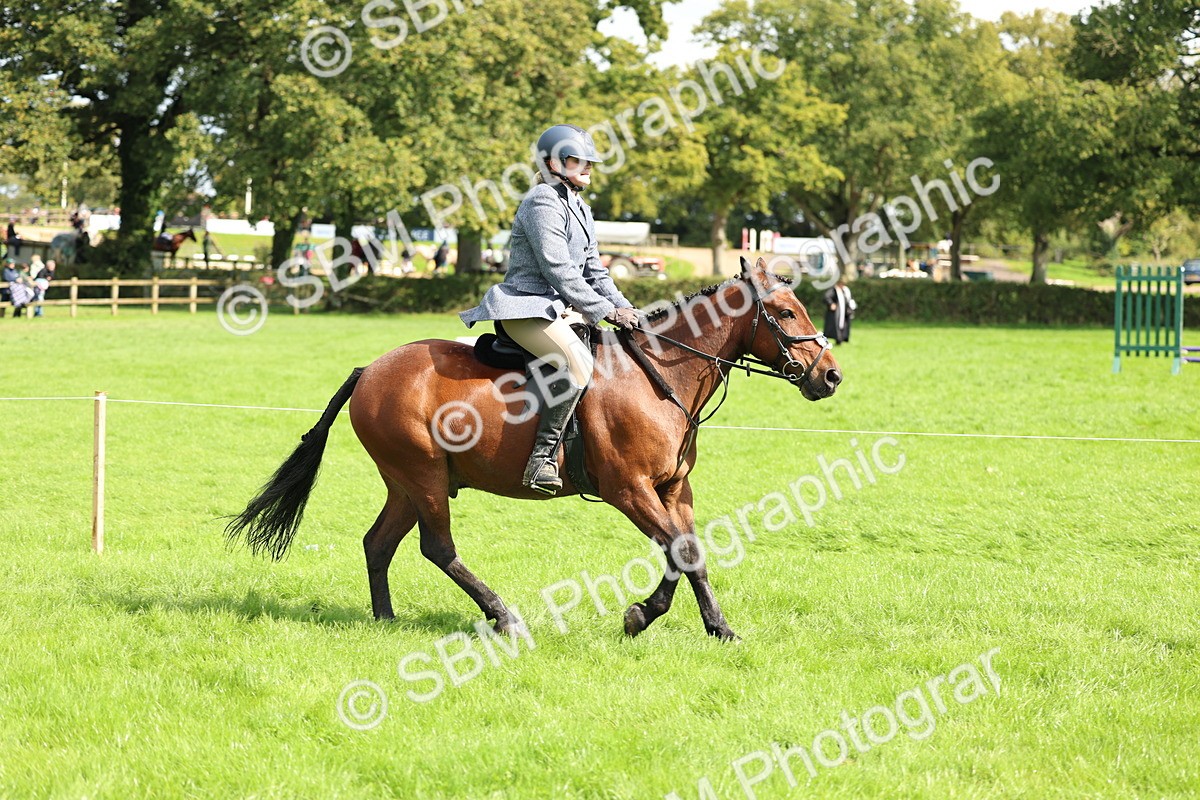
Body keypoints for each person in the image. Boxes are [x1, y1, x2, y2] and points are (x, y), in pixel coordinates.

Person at [459, 123, 639, 496]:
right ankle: (542, 459)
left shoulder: (580, 207)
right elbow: (558, 270)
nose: (589, 167)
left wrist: (627, 309)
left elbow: (595, 271)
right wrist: (604, 310)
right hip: (525, 308)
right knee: (578, 364)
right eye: (579, 160)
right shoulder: (542, 201)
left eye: (590, 161)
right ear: (554, 163)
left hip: (558, 311)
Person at [823, 277, 854, 345]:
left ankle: (840, 339)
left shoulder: (843, 291)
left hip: (842, 313)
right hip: (835, 314)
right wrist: (831, 304)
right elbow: (826, 297)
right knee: (833, 326)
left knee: (842, 325)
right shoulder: (833, 290)